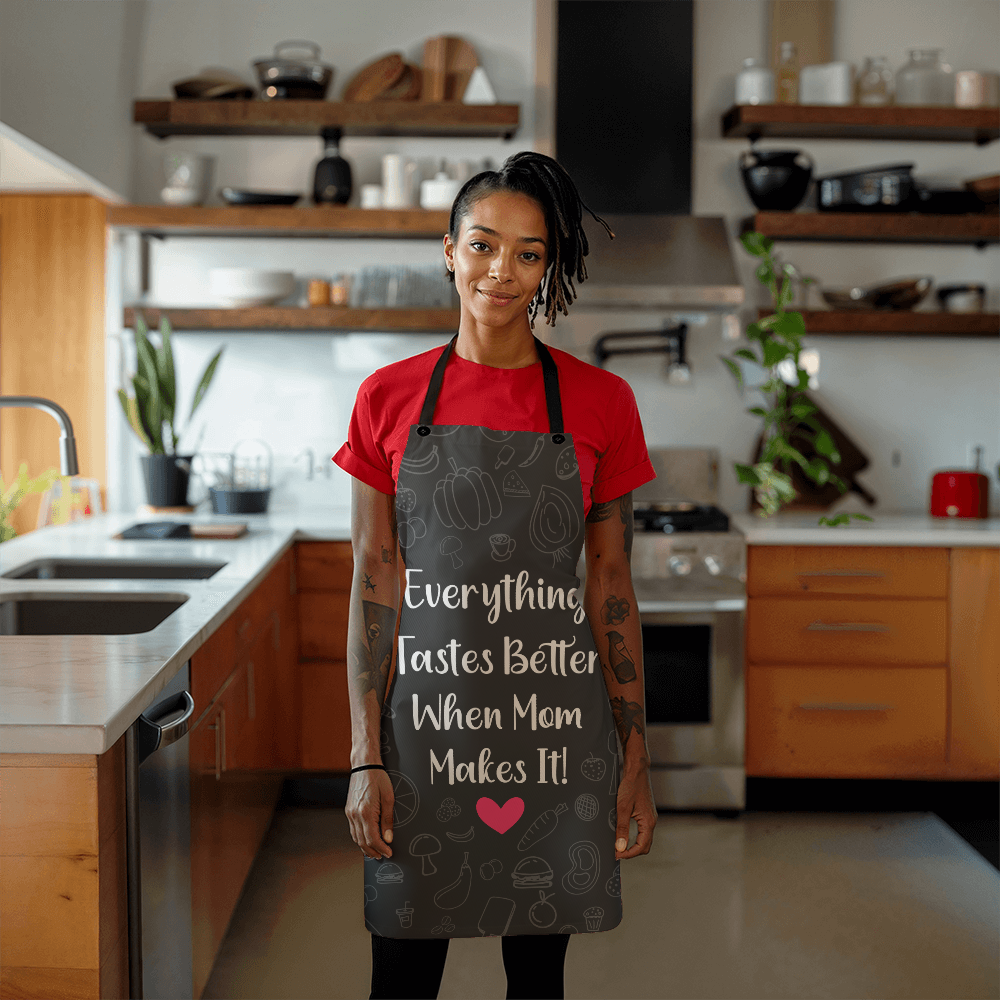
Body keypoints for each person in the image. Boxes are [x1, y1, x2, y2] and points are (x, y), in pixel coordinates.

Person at [333, 151, 657, 1000]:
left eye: (528, 253)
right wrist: (367, 756)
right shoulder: (386, 399)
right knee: (401, 971)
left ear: (550, 267)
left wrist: (635, 753)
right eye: (482, 245)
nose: (501, 272)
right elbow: (375, 579)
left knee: (537, 981)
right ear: (448, 250)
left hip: (554, 740)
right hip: (422, 741)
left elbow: (611, 587)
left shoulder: (601, 403)